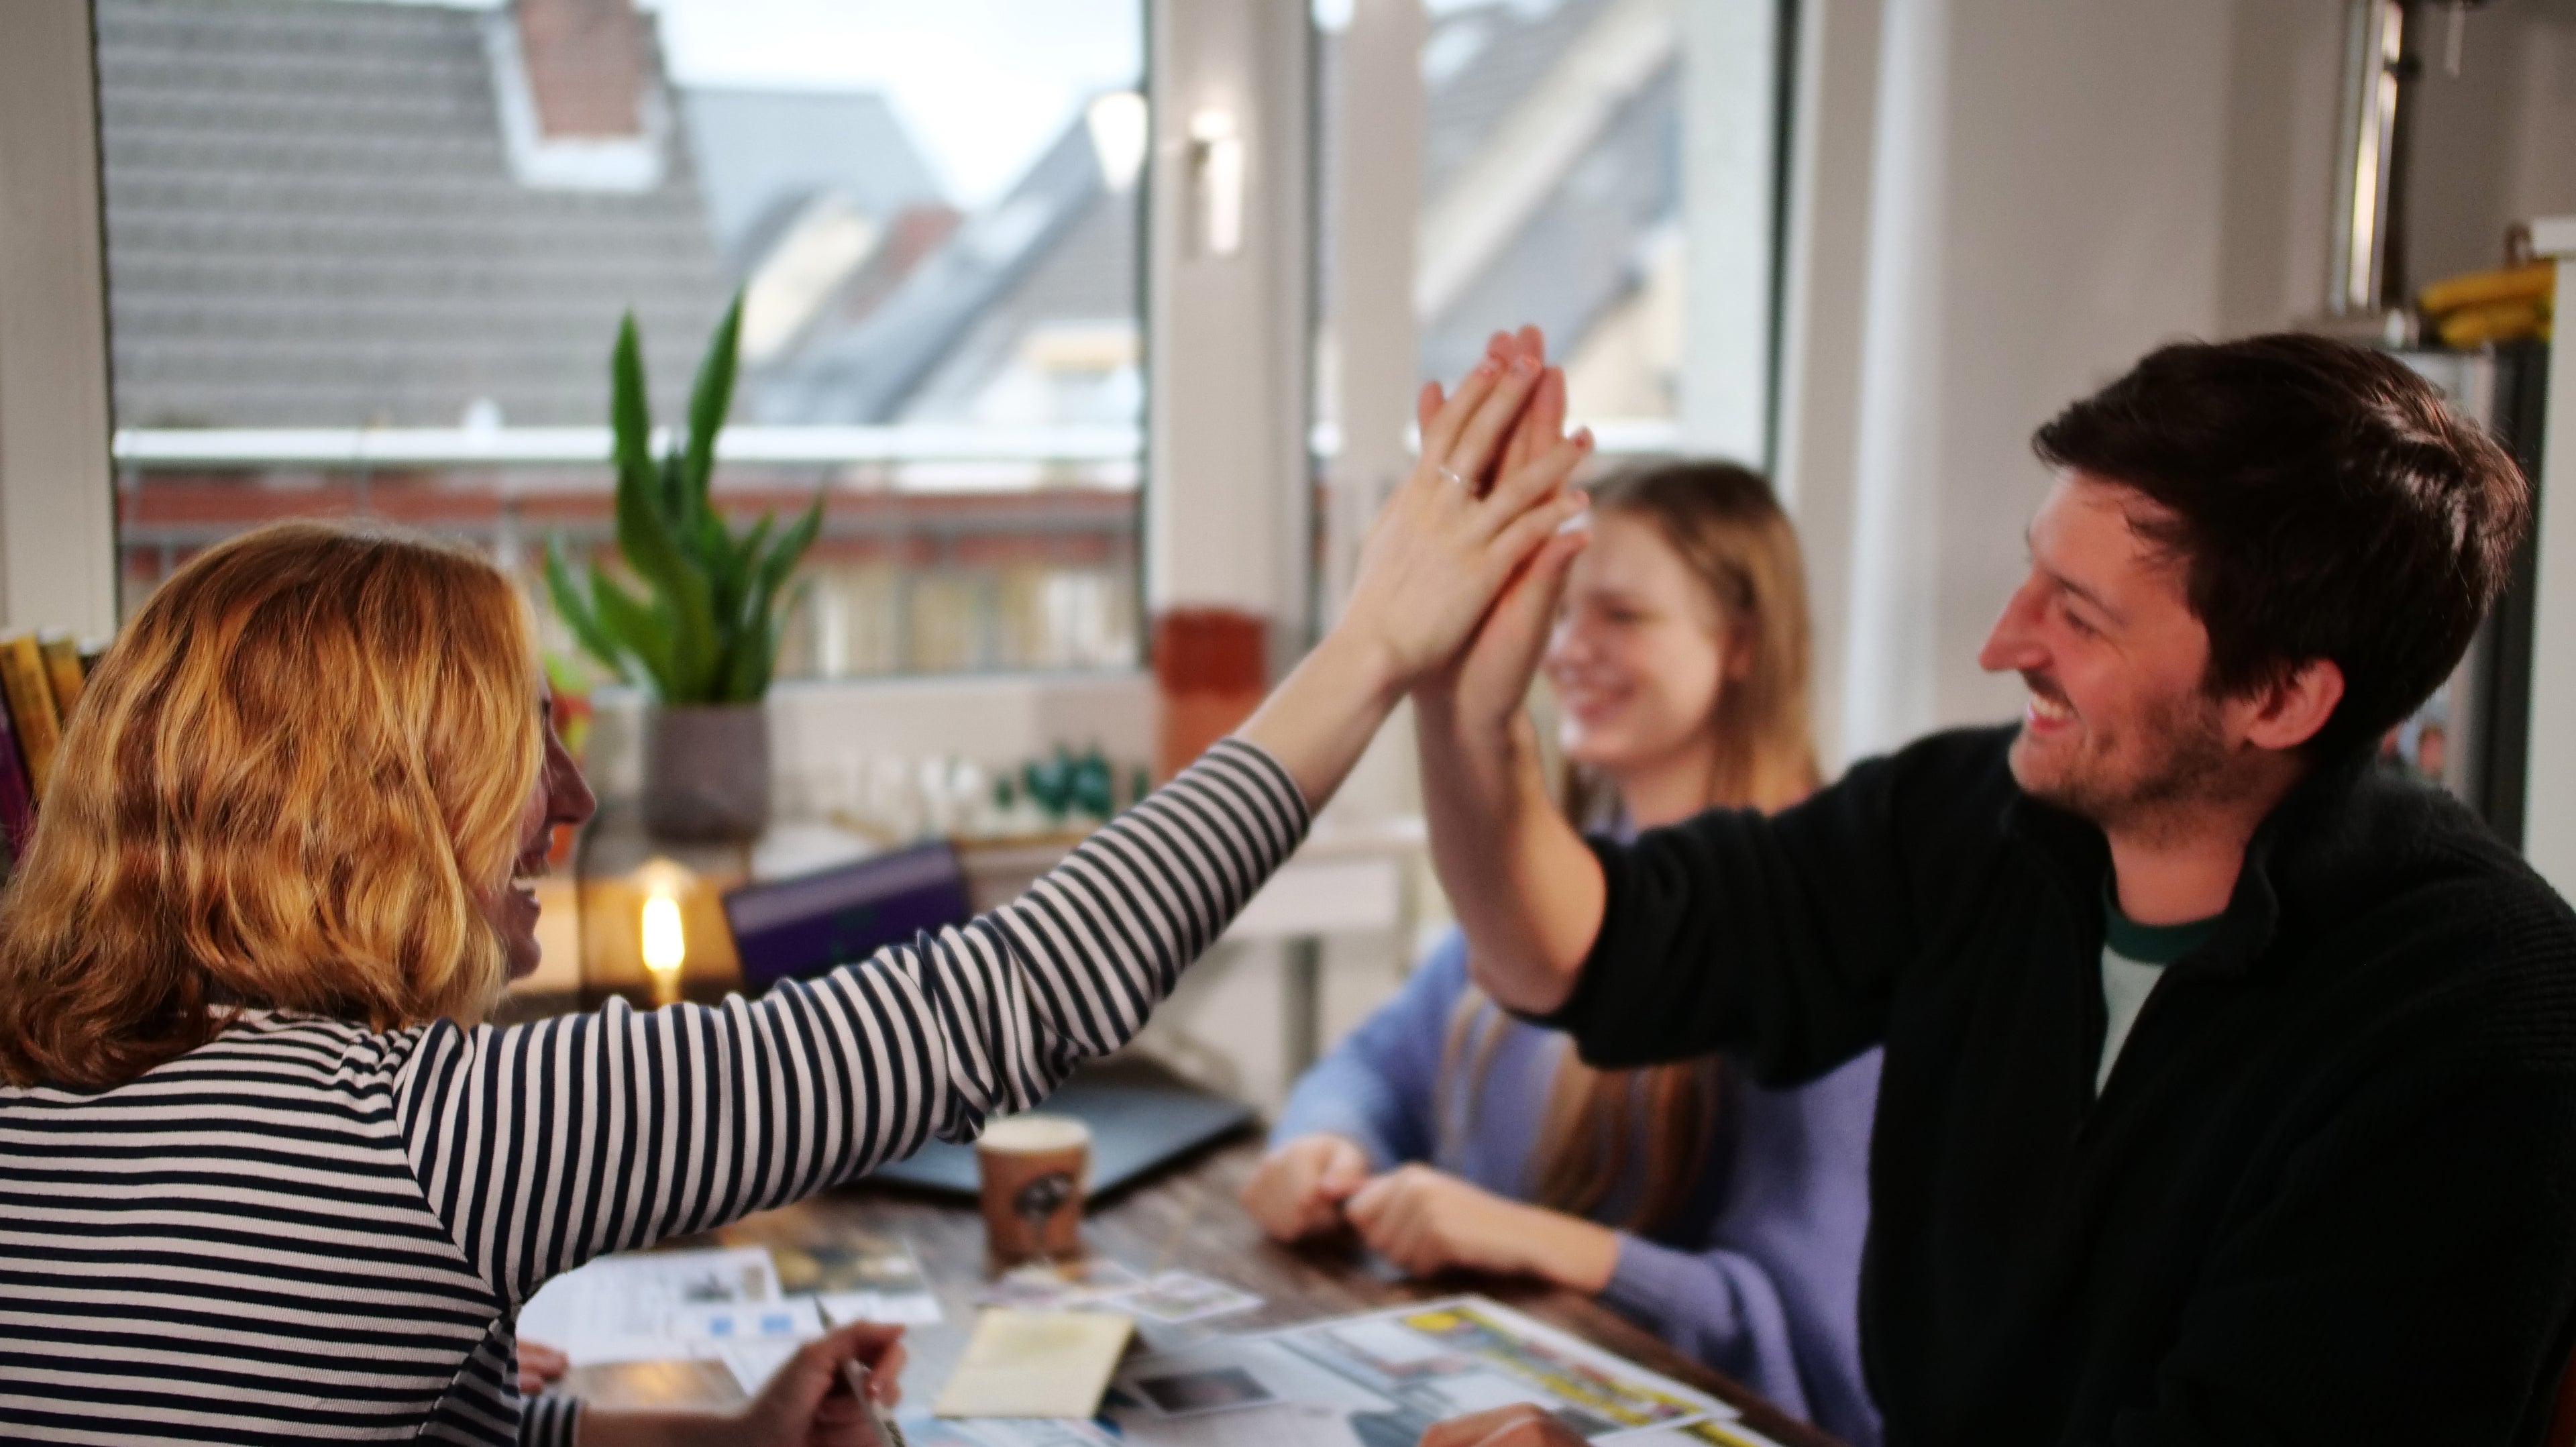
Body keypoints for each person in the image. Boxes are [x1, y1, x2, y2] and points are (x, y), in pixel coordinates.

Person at [0, 347, 1594, 1446]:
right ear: (367, 814)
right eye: (518, 753)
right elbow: (1019, 993)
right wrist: (1373, 643)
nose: (570, 802)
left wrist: (735, 1433)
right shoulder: (418, 1132)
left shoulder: (70, 1083)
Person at [1411, 331, 2576, 1447]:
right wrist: (1466, 702)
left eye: (2080, 615)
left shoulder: (2481, 1025)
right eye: (2035, 572)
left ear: (2278, 697)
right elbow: (1577, 950)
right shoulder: (1973, 820)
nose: (2004, 642)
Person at [1242, 461, 1880, 1446]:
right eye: (1563, 610)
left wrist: (1531, 1239)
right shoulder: (1567, 875)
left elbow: (1807, 1343)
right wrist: (1326, 1142)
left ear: (1742, 643)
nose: (1569, 650)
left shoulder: (1832, 929)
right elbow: (1377, 1064)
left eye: (1622, 615)